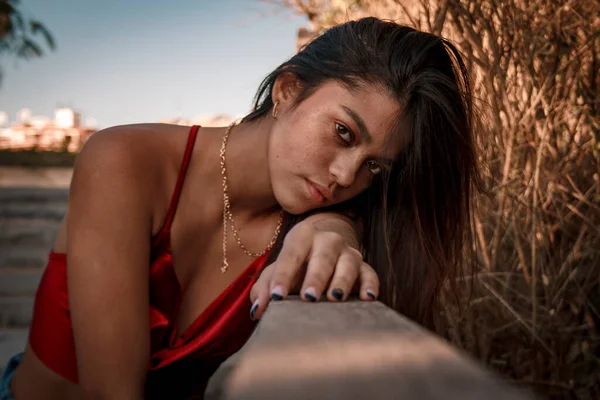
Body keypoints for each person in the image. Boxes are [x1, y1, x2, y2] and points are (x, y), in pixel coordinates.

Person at [1, 17, 481, 400]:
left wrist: (338, 227)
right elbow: (113, 393)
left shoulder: (323, 224)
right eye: (342, 133)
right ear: (287, 91)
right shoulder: (123, 161)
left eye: (374, 166)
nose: (345, 177)